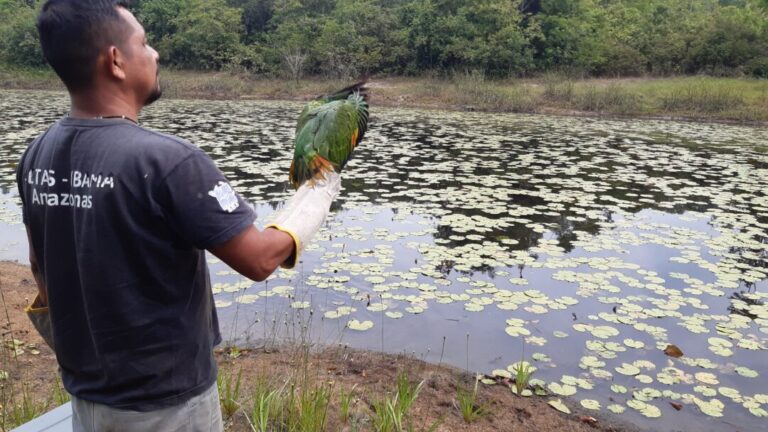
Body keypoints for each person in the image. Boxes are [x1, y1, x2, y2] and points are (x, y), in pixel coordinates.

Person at [15, 1, 340, 431]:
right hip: (164, 406)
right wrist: (313, 201)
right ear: (115, 61)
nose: (155, 54)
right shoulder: (169, 160)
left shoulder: (36, 153)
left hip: (87, 396)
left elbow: (41, 270)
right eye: (144, 43)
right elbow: (260, 260)